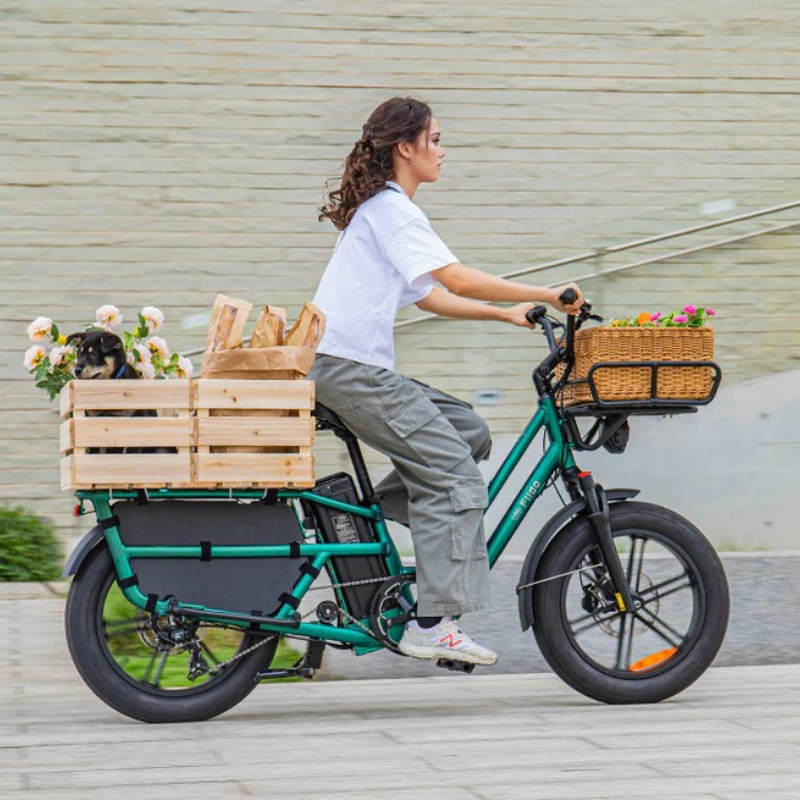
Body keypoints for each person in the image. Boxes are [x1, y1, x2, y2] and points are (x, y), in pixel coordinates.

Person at [309, 96, 583, 666]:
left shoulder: (384, 210)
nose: (441, 149)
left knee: (469, 431)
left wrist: (505, 315)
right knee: (457, 479)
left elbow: (431, 293)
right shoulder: (393, 210)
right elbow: (454, 274)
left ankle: (369, 512)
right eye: (434, 139)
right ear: (405, 148)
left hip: (348, 367)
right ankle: (432, 623)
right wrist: (545, 292)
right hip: (349, 369)